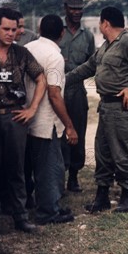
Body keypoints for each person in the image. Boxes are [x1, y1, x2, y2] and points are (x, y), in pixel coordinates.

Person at [66, 6, 128, 213]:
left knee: (123, 152)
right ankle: (102, 196)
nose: (100, 26)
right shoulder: (106, 46)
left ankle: (127, 196)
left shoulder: (126, 43)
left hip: (124, 109)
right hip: (107, 107)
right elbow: (88, 67)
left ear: (105, 23)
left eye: (100, 23)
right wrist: (62, 80)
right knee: (103, 152)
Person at [0, 7, 46, 236]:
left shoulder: (21, 54)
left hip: (14, 118)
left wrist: (32, 109)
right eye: (6, 29)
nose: (11, 33)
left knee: (17, 169)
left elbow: (41, 78)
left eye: (15, 29)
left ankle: (20, 216)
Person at [24, 15, 78, 225]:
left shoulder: (27, 47)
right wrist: (70, 126)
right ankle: (48, 212)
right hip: (45, 122)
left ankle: (33, 205)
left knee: (28, 167)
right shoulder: (54, 57)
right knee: (48, 169)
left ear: (39, 28)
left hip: (26, 118)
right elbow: (54, 94)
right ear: (62, 33)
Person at [59, 0, 96, 193]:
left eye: (79, 9)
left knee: (78, 134)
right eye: (72, 8)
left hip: (76, 91)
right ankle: (58, 176)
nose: (76, 12)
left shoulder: (88, 36)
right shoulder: (57, 31)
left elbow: (93, 64)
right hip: (55, 89)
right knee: (57, 133)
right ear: (65, 8)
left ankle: (73, 177)